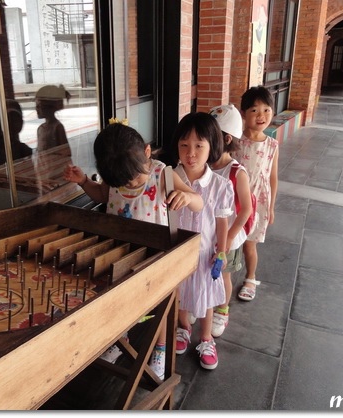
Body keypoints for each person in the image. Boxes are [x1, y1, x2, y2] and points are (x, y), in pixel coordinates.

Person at [63, 122, 203, 379]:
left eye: (135, 178)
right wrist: (83, 181)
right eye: (123, 181)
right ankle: (121, 340)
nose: (130, 183)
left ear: (147, 152)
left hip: (156, 253)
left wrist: (188, 198)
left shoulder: (161, 173)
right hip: (121, 251)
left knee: (161, 302)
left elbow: (198, 202)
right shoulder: (116, 175)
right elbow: (102, 196)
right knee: (120, 299)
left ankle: (160, 348)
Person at [169, 112, 233, 370]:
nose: (191, 153)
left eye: (198, 146)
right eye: (184, 145)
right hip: (177, 251)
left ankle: (206, 339)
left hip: (205, 252)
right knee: (181, 292)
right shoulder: (169, 177)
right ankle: (183, 327)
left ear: (212, 146)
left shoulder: (220, 185)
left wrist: (222, 250)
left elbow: (222, 221)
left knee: (206, 298)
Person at [209, 104, 254, 337]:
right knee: (206, 272)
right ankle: (204, 304)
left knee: (223, 275)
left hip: (230, 237)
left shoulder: (237, 172)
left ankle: (222, 311)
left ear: (226, 139)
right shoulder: (205, 167)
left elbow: (246, 210)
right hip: (209, 233)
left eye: (208, 138)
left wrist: (227, 238)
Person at [232, 86, 279, 301]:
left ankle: (250, 278)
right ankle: (223, 275)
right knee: (230, 238)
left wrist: (271, 207)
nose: (261, 116)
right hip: (235, 199)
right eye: (254, 110)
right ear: (243, 114)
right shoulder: (234, 141)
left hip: (258, 201)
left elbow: (272, 178)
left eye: (266, 110)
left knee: (250, 244)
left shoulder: (272, 145)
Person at [35, 84, 72, 153]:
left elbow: (66, 152)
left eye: (39, 106)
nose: (36, 109)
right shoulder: (40, 128)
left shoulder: (57, 127)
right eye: (36, 106)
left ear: (50, 107)